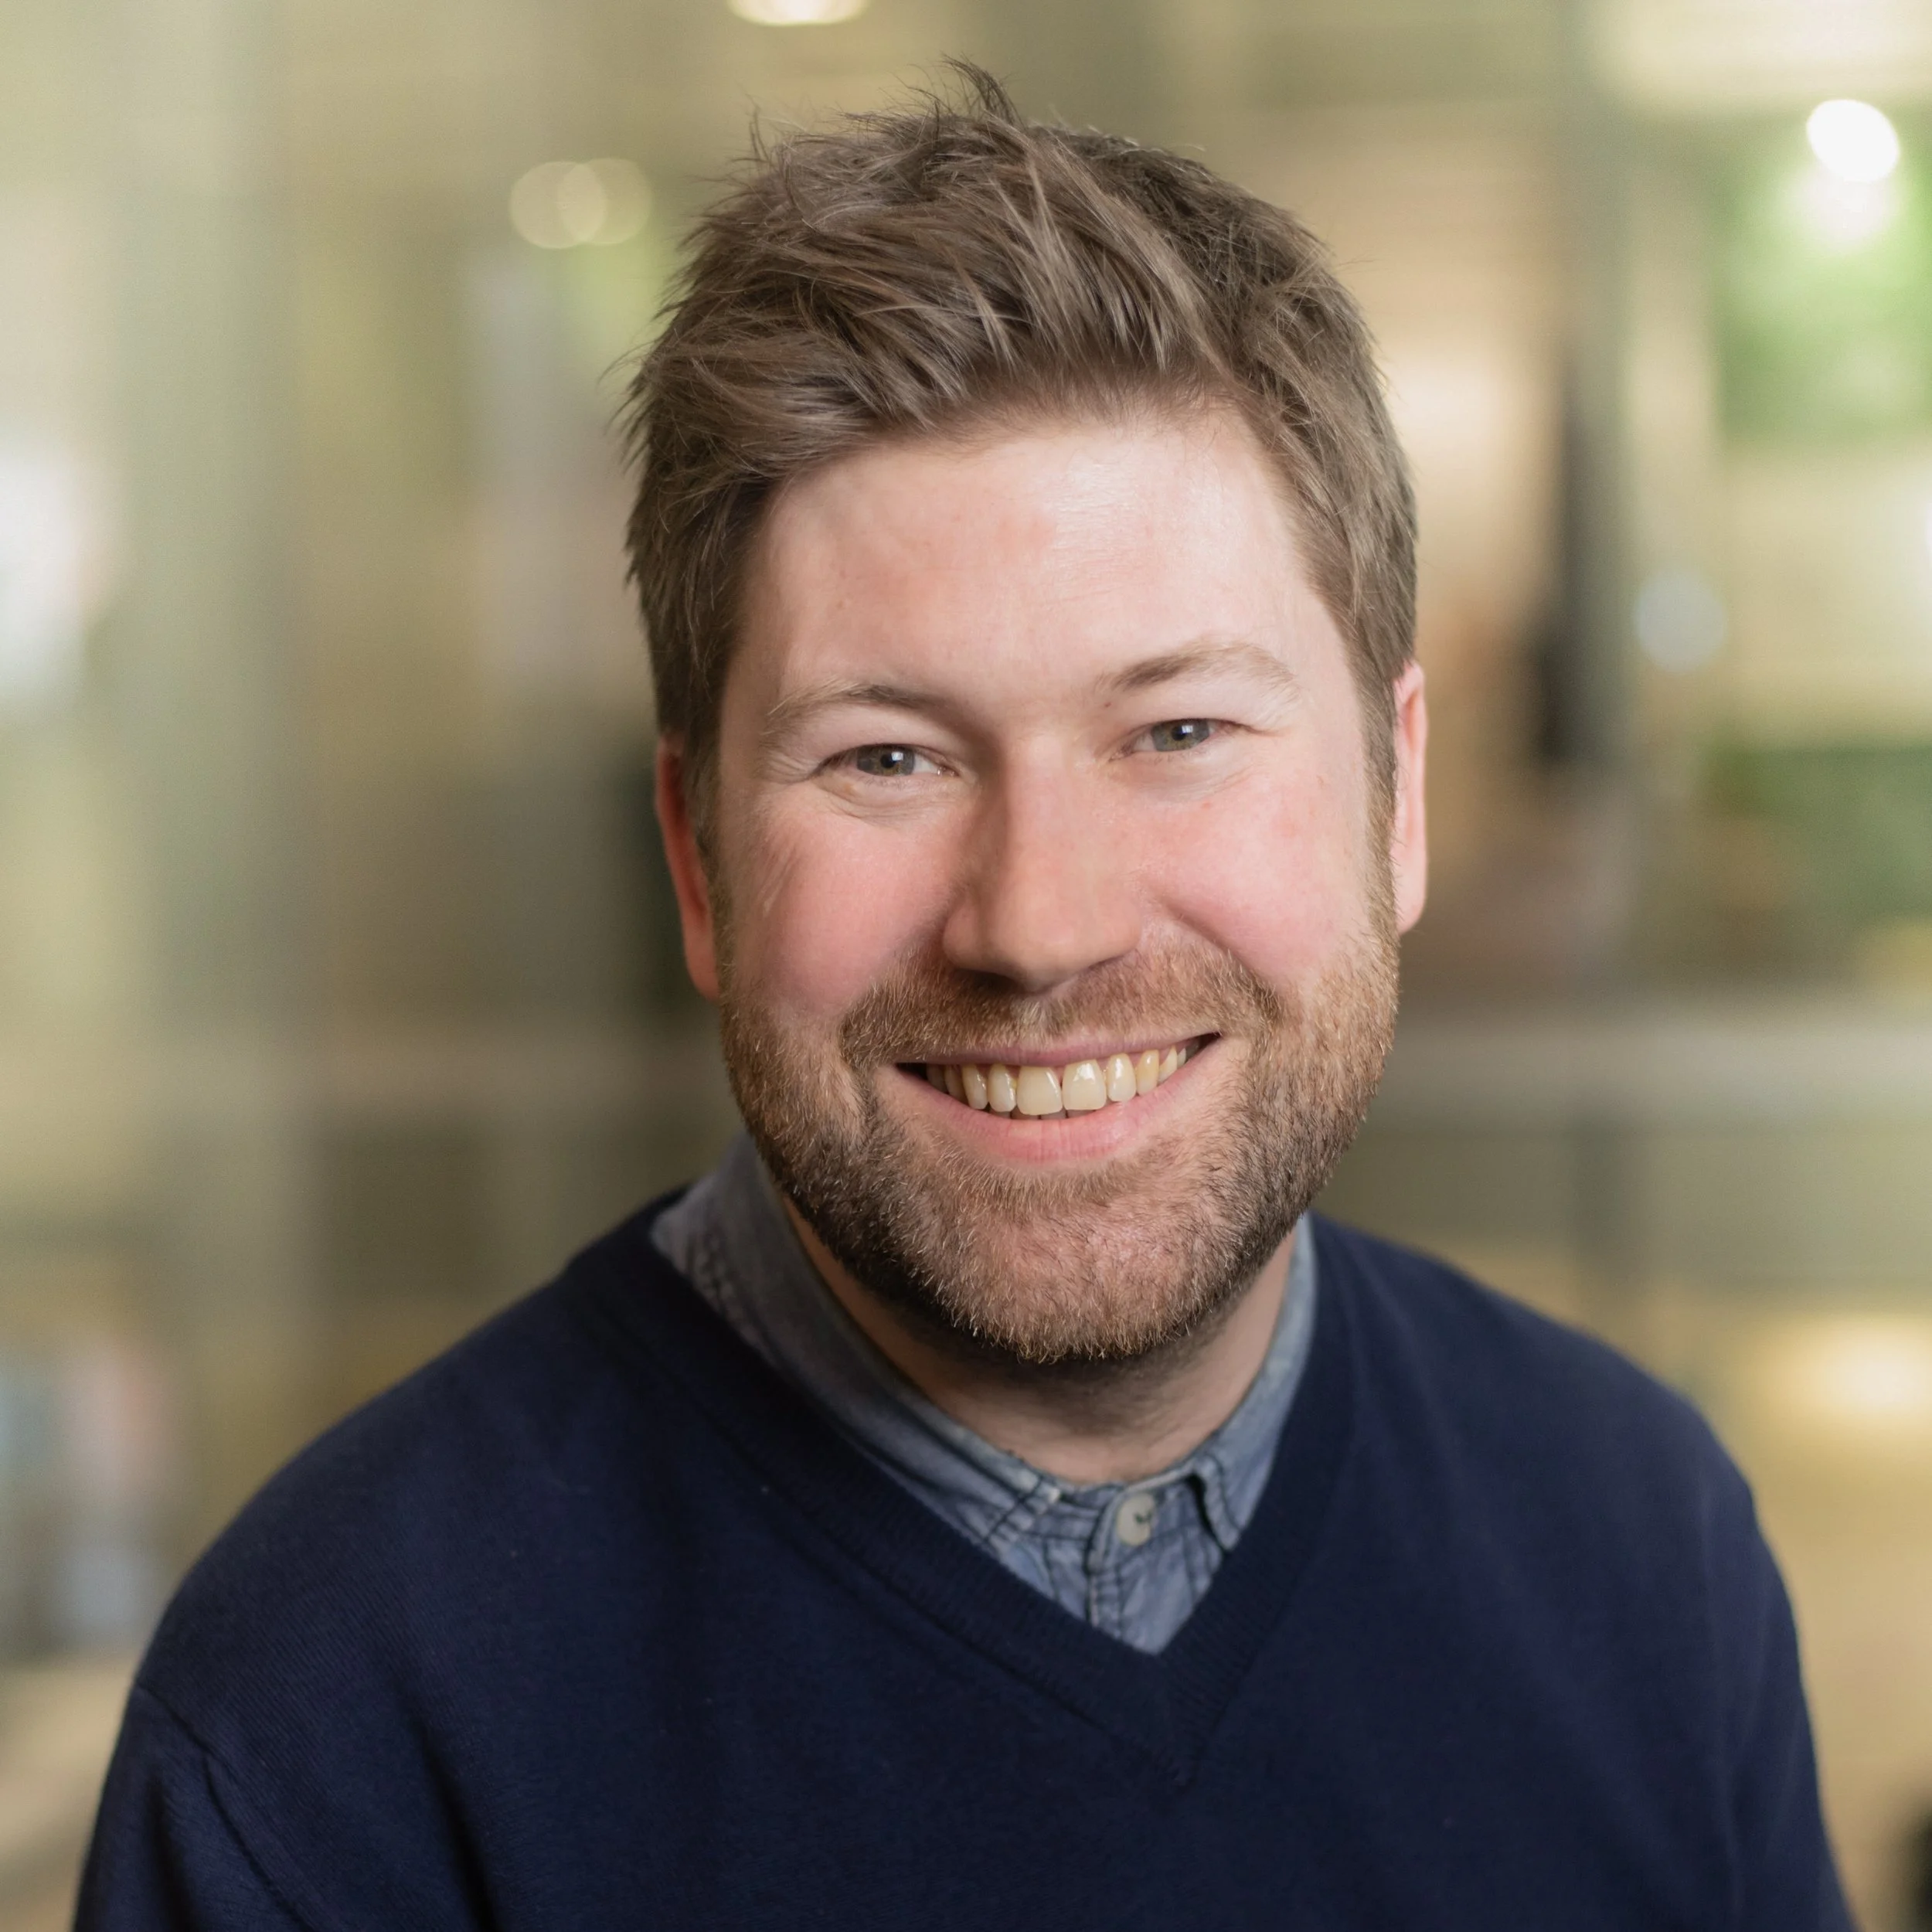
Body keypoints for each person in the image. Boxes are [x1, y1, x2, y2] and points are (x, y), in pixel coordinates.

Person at [79, 67, 1849, 1930]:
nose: (1036, 923)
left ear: (1394, 796)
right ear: (698, 860)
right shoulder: (336, 1723)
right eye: (886, 757)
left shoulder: (1638, 1537)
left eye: (1178, 730)